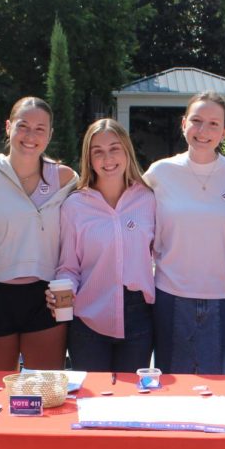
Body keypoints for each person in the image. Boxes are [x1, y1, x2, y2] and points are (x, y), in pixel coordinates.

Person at [0, 97, 77, 371]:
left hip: (47, 296)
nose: (31, 135)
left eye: (40, 129)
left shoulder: (67, 180)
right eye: (23, 125)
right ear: (8, 127)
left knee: (47, 391)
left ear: (50, 135)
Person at [144, 92, 225, 374]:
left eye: (214, 124)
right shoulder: (159, 173)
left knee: (220, 389)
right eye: (197, 121)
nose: (203, 131)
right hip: (170, 295)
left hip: (224, 298)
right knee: (173, 388)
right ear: (183, 123)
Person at [51, 119, 155, 372]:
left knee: (132, 401)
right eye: (98, 151)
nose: (107, 158)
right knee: (91, 403)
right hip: (88, 317)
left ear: (127, 151)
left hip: (139, 316)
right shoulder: (74, 206)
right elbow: (68, 267)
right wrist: (62, 293)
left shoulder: (149, 199)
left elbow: (161, 254)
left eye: (114, 148)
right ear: (89, 158)